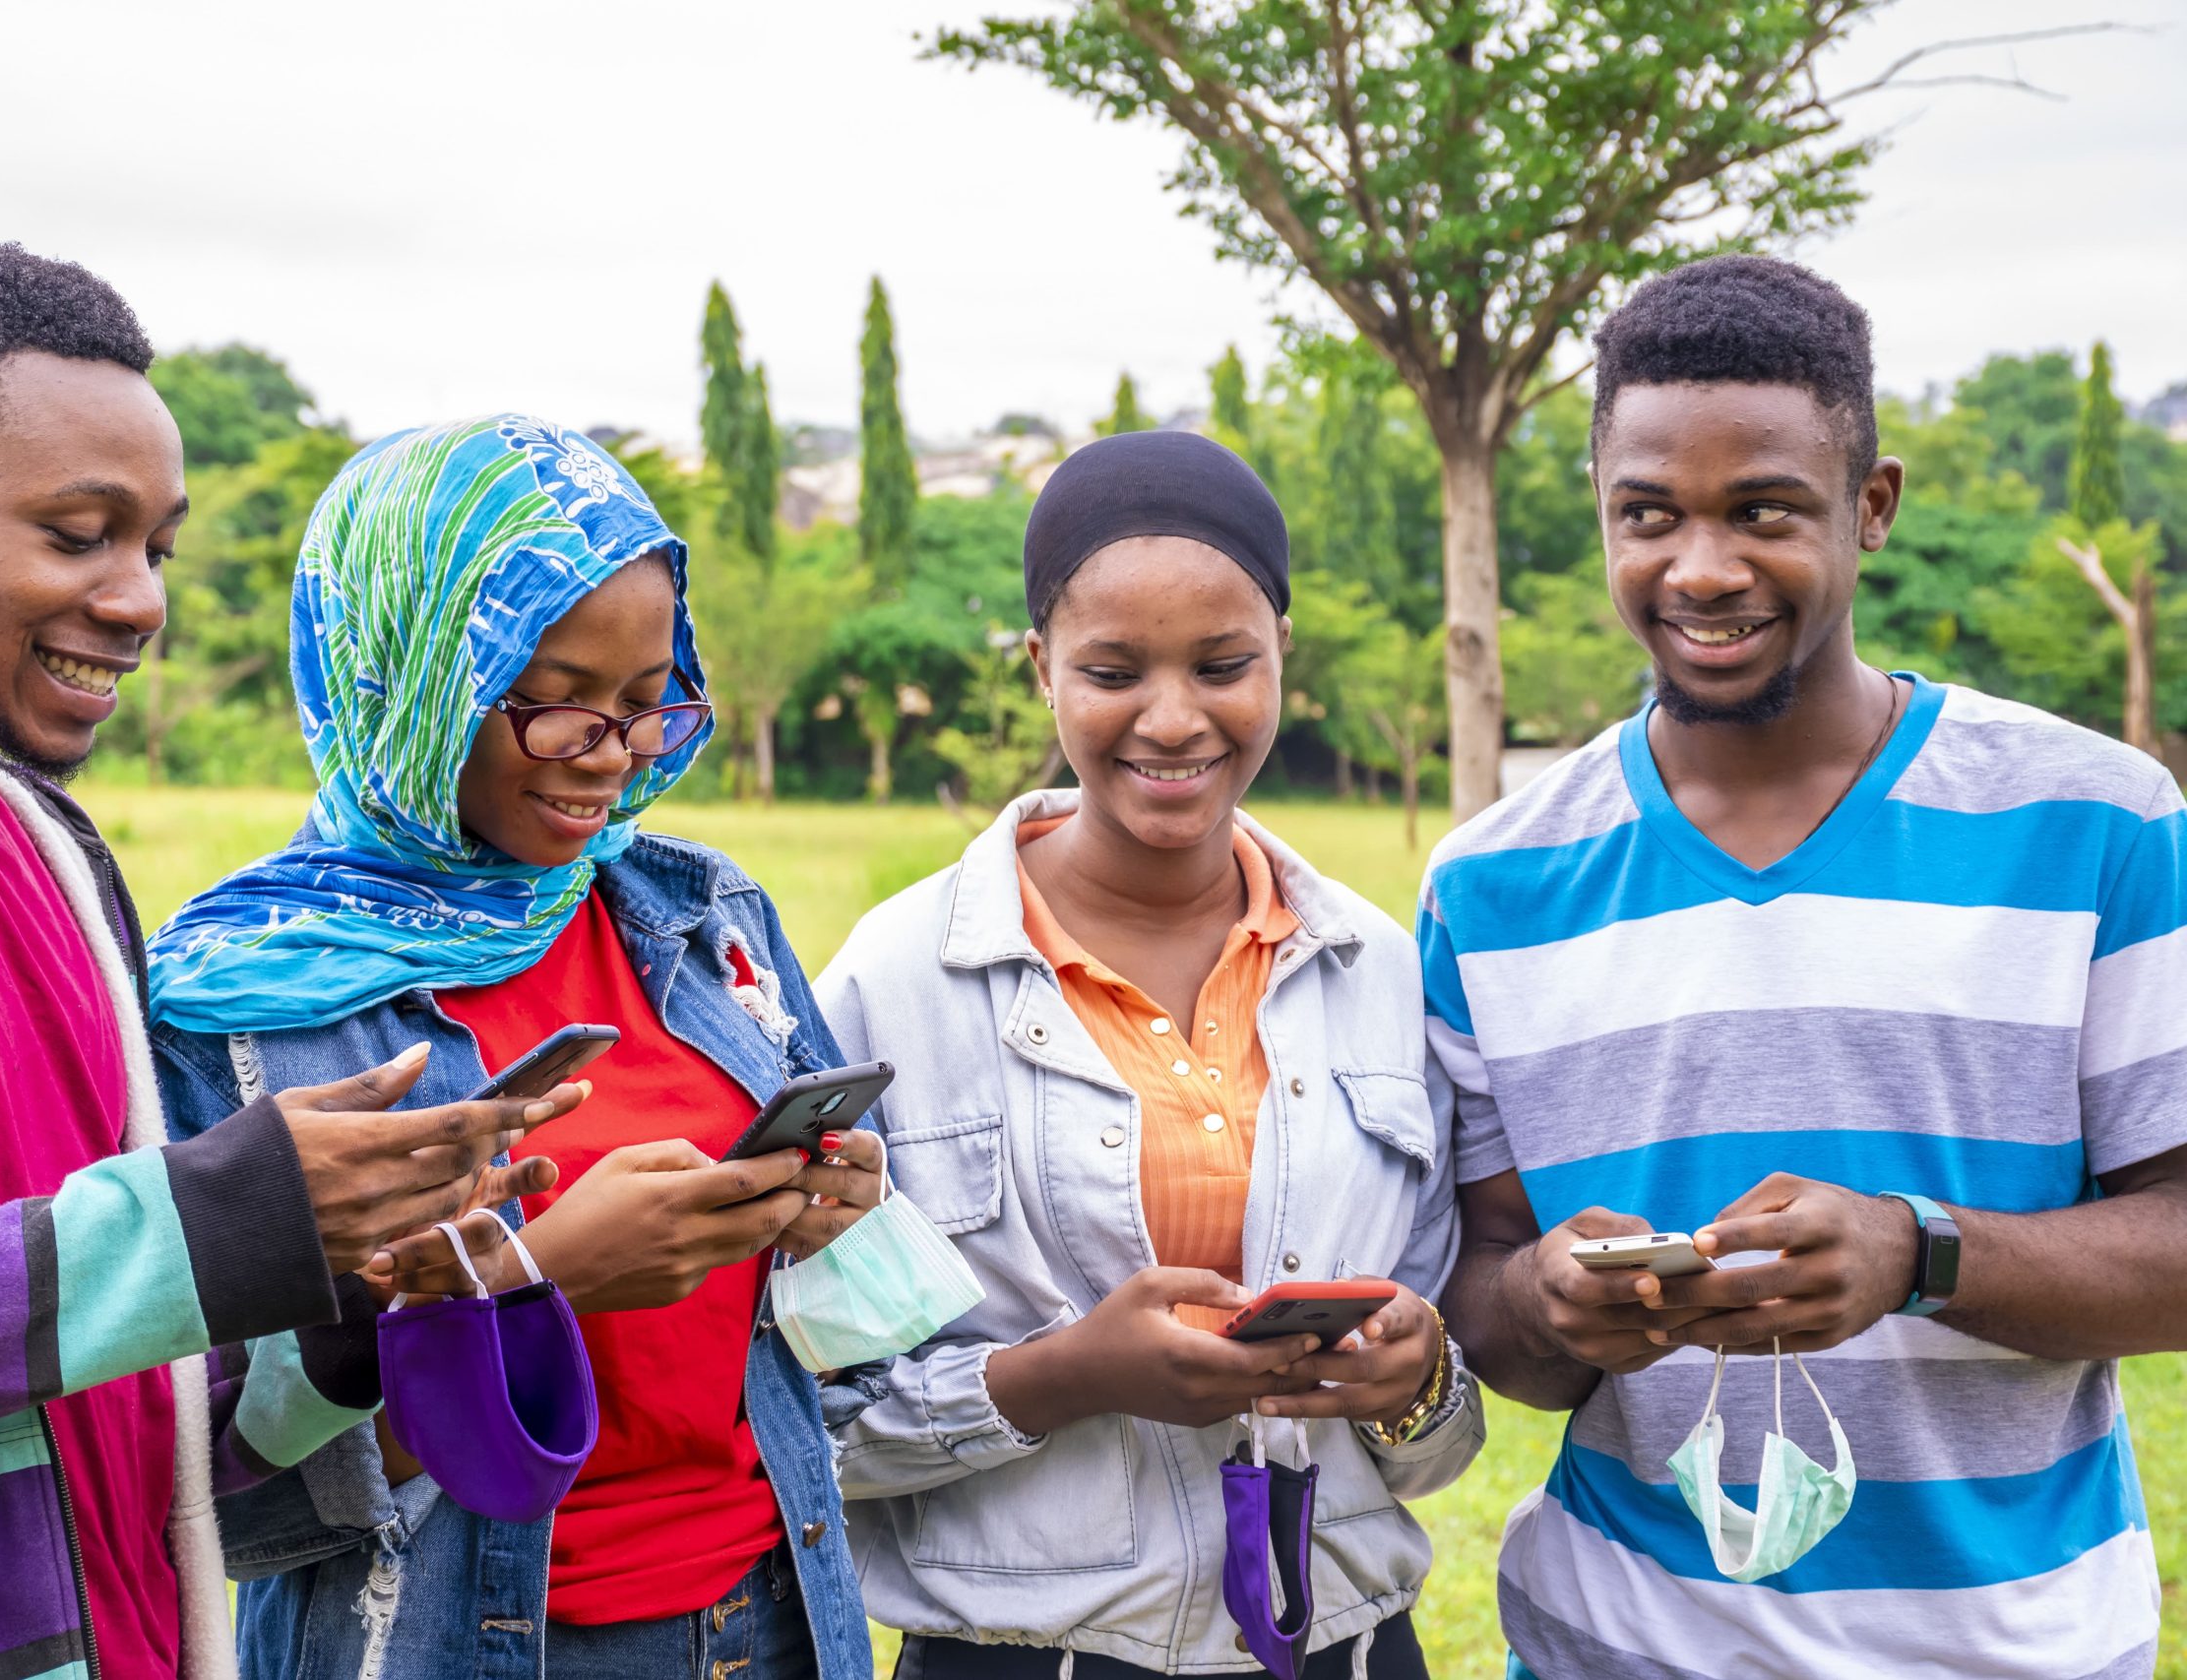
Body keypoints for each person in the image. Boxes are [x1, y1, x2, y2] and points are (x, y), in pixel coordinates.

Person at [0, 245, 568, 1680]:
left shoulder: (54, 848)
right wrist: (199, 1222)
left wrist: (337, 1320)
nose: (139, 597)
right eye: (79, 533)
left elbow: (105, 1394)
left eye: (156, 543)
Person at [1429, 255, 2187, 1680]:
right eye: (1646, 514)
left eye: (1762, 510)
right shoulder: (1492, 884)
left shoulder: (2097, 821)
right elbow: (1483, 1307)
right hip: (1617, 1646)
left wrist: (1918, 1250)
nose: (1700, 567)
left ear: (1871, 505)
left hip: (2017, 1650)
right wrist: (1549, 1300)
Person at [146, 414, 882, 1680]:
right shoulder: (240, 998)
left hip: (772, 1618)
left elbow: (828, 1350)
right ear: (415, 673)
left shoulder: (706, 917)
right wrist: (530, 1277)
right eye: (554, 706)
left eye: (647, 706)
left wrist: (826, 1207)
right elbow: (199, 1480)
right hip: (461, 1643)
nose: (609, 757)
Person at [814, 430, 1483, 1679]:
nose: (1172, 719)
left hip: (1349, 1648)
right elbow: (806, 1429)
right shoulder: (888, 985)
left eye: (1223, 664)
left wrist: (1414, 1372)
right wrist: (1061, 1377)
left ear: (1282, 649)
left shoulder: (1378, 970)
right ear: (1039, 667)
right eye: (1112, 670)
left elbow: (1439, 1443)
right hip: (1019, 1656)